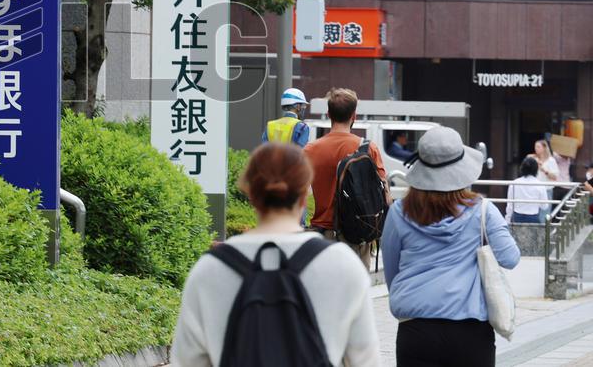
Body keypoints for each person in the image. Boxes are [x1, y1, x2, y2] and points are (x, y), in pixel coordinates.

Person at [171, 143, 380, 367]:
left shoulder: (210, 270)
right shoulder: (342, 265)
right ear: (303, 196)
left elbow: (186, 361)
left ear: (251, 194)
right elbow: (364, 360)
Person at [382, 126, 520, 367]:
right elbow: (510, 258)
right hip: (471, 331)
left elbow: (392, 272)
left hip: (416, 329)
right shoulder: (483, 210)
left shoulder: (397, 212)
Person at [304, 88, 389, 268]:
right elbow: (386, 197)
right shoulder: (367, 148)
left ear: (328, 114)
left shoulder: (310, 150)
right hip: (357, 237)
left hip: (323, 237)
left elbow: (299, 196)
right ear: (354, 116)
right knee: (356, 293)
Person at [505, 156, 548, 224]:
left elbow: (510, 204)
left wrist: (507, 219)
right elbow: (544, 206)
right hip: (533, 217)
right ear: (536, 169)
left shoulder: (514, 183)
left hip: (517, 216)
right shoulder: (540, 184)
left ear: (522, 168)